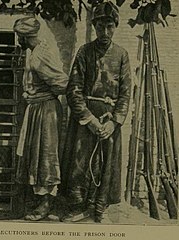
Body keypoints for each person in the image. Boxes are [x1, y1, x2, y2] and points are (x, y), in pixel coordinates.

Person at [61, 1, 131, 223]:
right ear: (94, 27)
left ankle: (100, 209)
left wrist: (114, 122)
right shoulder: (84, 52)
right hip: (86, 119)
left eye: (110, 26)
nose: (105, 32)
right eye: (100, 27)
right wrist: (88, 119)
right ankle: (76, 207)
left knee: (106, 165)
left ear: (115, 26)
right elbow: (73, 89)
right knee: (79, 162)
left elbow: (126, 93)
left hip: (109, 121)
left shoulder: (122, 54)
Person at [13, 16, 68, 221]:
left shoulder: (42, 54)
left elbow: (62, 83)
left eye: (19, 36)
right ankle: (38, 200)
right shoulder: (31, 51)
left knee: (46, 156)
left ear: (26, 36)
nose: (18, 40)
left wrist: (44, 95)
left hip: (46, 109)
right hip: (36, 108)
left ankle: (46, 204)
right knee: (34, 155)